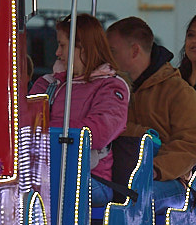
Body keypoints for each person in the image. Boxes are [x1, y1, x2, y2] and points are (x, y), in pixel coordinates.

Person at [106, 17, 196, 211]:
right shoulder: (109, 88)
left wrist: (153, 169)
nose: (107, 58)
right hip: (120, 176)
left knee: (138, 197)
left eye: (112, 52)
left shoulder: (178, 92)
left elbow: (191, 143)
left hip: (170, 181)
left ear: (135, 50)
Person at [28, 14, 129, 205]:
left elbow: (98, 132)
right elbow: (25, 124)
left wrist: (45, 131)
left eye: (63, 46)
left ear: (82, 48)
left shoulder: (111, 87)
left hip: (91, 176)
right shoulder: (48, 83)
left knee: (56, 188)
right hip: (45, 171)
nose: (57, 52)